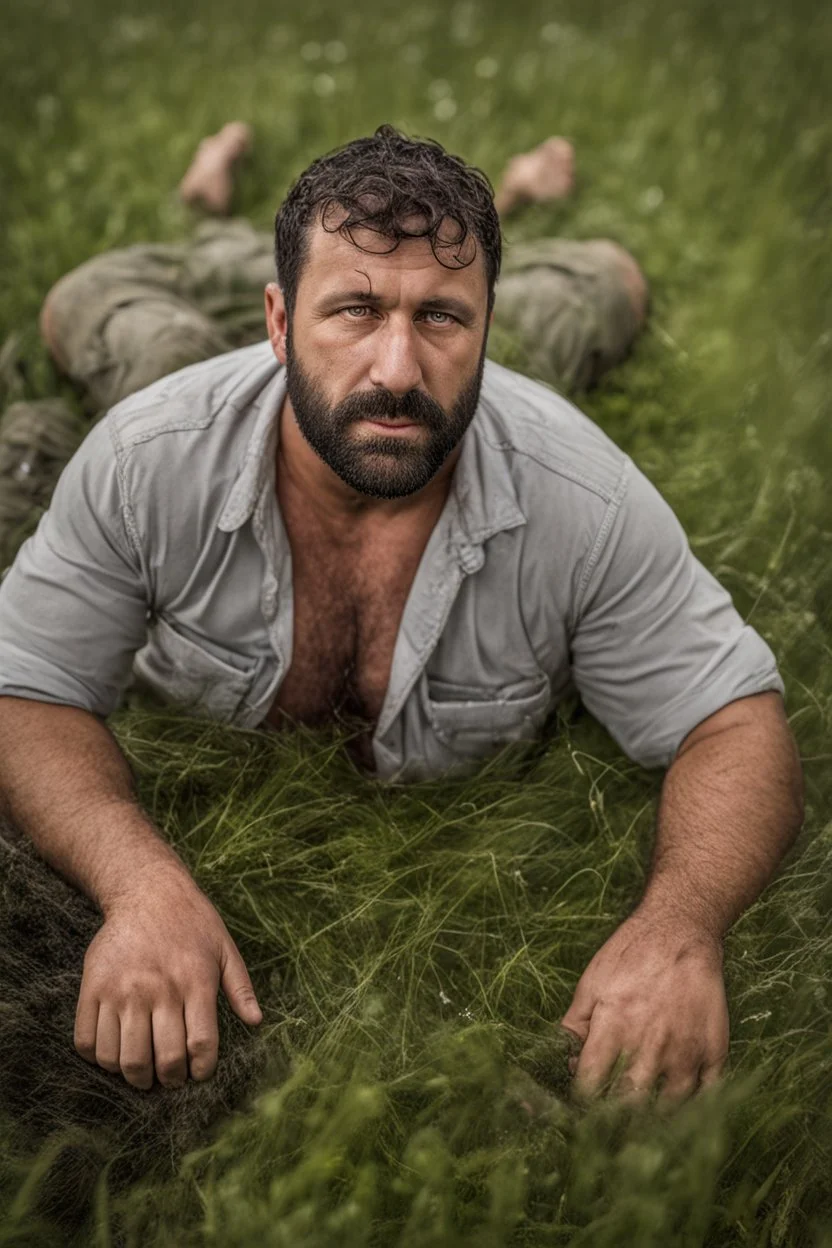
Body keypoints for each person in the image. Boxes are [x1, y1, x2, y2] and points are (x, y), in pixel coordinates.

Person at [0, 126, 803, 1108]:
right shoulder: (147, 457)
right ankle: (209, 199)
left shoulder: (582, 498)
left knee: (608, 284)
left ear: (484, 329)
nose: (398, 367)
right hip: (202, 387)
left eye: (443, 318)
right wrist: (139, 886)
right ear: (280, 322)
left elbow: (734, 722)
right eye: (352, 308)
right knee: (82, 308)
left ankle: (530, 193)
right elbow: (27, 686)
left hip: (498, 403)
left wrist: (681, 928)